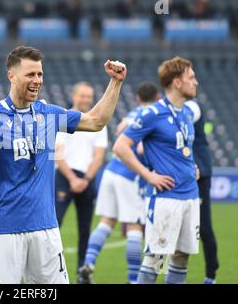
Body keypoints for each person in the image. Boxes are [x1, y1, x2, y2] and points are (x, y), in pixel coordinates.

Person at [0, 46, 127, 284]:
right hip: (5, 229)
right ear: (12, 75)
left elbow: (95, 121)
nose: (37, 80)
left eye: (40, 74)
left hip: (46, 229)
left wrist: (115, 82)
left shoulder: (49, 114)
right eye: (30, 74)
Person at [113, 56, 200, 284]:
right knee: (156, 261)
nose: (196, 82)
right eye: (191, 78)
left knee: (181, 259)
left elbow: (183, 148)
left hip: (191, 196)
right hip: (167, 199)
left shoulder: (187, 113)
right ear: (176, 82)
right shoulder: (152, 113)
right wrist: (148, 175)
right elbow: (120, 146)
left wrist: (193, 166)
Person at [78, 82, 160, 284]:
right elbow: (140, 149)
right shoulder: (153, 115)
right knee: (134, 227)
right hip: (129, 176)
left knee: (107, 221)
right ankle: (133, 279)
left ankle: (87, 264)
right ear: (157, 98)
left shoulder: (132, 114)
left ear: (138, 98)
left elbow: (121, 128)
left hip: (111, 171)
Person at [54, 82, 108, 273]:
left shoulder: (98, 122)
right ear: (74, 96)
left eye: (88, 96)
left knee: (85, 228)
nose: (85, 99)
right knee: (54, 225)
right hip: (64, 176)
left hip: (87, 179)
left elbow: (99, 156)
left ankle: (81, 270)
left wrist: (84, 180)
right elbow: (58, 154)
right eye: (82, 96)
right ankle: (52, 266)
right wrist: (72, 179)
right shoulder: (63, 117)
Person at [185, 100, 219, 284]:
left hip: (200, 173)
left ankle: (211, 275)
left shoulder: (191, 106)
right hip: (179, 173)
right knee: (171, 228)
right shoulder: (168, 109)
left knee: (204, 228)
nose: (195, 83)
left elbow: (187, 115)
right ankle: (164, 274)